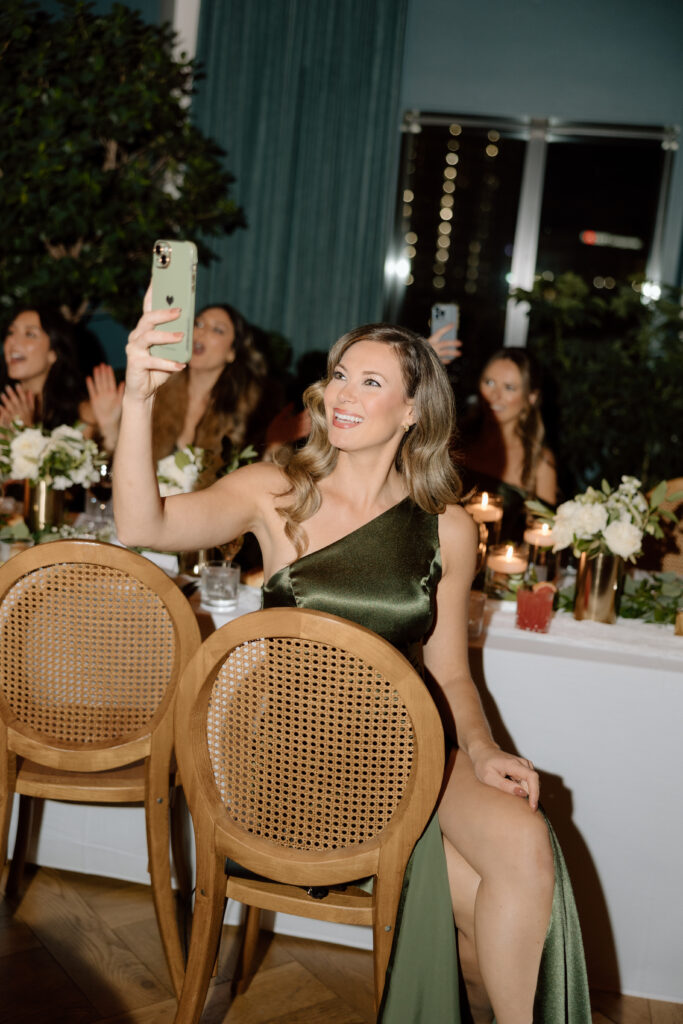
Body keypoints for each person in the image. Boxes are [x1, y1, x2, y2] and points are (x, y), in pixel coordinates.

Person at [114, 289, 590, 1024]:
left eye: (370, 381)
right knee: (491, 903)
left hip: (412, 752)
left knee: (524, 846)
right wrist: (139, 399)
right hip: (294, 761)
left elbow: (452, 673)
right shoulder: (276, 492)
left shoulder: (449, 529)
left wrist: (485, 747)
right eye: (338, 374)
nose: (342, 392)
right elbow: (142, 522)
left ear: (411, 412)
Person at [89, 303, 269, 479]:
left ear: (232, 352)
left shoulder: (249, 413)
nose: (201, 331)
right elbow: (121, 478)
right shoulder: (156, 392)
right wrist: (109, 428)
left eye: (217, 330)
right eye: (198, 323)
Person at [458, 347, 557, 539]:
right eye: (489, 382)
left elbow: (542, 540)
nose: (494, 396)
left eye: (509, 388)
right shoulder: (456, 439)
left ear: (531, 398)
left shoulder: (540, 461)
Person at [1, 307, 98, 433]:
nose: (12, 341)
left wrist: (23, 431)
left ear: (53, 353)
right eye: (10, 332)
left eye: (30, 334)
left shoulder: (84, 414)